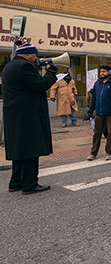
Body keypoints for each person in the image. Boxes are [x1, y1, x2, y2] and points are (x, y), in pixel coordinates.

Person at [3, 42, 57, 194]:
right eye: (34, 54)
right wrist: (51, 74)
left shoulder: (10, 66)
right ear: (27, 54)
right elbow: (40, 85)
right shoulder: (24, 66)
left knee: (19, 149)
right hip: (27, 114)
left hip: (15, 115)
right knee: (30, 148)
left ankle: (16, 182)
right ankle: (29, 184)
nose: (36, 57)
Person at [86, 65, 111, 160]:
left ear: (109, 72)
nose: (102, 73)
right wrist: (90, 111)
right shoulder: (97, 83)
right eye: (101, 71)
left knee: (110, 133)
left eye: (104, 71)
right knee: (97, 134)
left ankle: (108, 153)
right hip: (99, 113)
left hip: (110, 113)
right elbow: (93, 98)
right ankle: (93, 153)